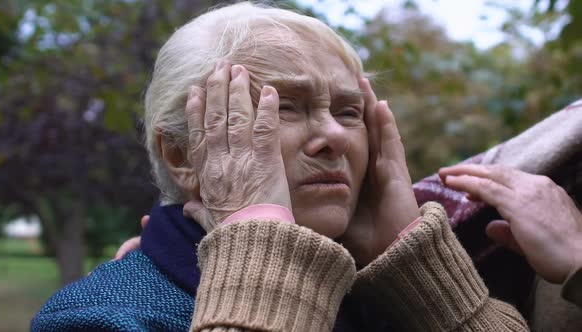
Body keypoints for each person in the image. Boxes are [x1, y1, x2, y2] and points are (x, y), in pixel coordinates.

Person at [32, 2, 534, 331]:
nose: (335, 137)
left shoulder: (392, 301)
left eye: (348, 112)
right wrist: (261, 246)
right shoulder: (96, 317)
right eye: (282, 107)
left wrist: (423, 276)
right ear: (182, 155)